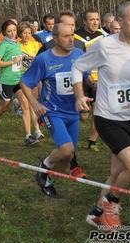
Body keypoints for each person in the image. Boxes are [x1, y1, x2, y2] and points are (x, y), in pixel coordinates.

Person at [72, 1, 130, 231]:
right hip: (107, 118)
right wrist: (79, 96)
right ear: (120, 23)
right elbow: (77, 67)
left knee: (117, 173)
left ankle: (96, 213)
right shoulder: (104, 46)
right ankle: (112, 203)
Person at [21, 23, 84, 198]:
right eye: (66, 36)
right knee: (65, 149)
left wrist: (92, 85)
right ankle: (44, 164)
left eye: (72, 35)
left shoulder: (79, 54)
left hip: (73, 112)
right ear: (55, 39)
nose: (71, 39)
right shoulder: (44, 59)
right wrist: (34, 103)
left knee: (68, 156)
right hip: (53, 111)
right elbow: (24, 82)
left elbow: (84, 77)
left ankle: (48, 183)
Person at [0, 20, 38, 145]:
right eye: (9, 31)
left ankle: (28, 136)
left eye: (14, 30)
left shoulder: (16, 44)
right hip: (6, 81)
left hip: (18, 80)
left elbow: (17, 56)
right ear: (4, 32)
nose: (12, 33)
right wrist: (12, 62)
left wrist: (27, 57)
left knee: (25, 105)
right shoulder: (3, 45)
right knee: (5, 107)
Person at [74, 8, 105, 152]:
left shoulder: (101, 35)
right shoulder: (76, 37)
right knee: (84, 116)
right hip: (82, 79)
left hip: (99, 79)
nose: (95, 22)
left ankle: (92, 142)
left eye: (97, 19)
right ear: (84, 21)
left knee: (97, 111)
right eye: (92, 19)